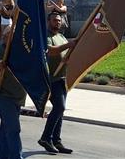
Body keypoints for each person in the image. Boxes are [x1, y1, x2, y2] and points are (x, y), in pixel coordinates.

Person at [0, 24, 27, 159]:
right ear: (5, 37)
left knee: (6, 125)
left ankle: (2, 154)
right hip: (2, 94)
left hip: (17, 96)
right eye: (12, 35)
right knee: (14, 128)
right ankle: (16, 156)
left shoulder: (21, 53)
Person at [39, 12, 77, 154]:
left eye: (59, 20)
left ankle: (56, 141)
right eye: (55, 20)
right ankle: (45, 138)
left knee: (60, 111)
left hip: (62, 78)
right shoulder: (45, 36)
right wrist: (68, 45)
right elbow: (50, 51)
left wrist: (68, 55)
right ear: (48, 21)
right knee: (59, 107)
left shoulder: (61, 36)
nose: (57, 22)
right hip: (50, 78)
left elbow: (64, 54)